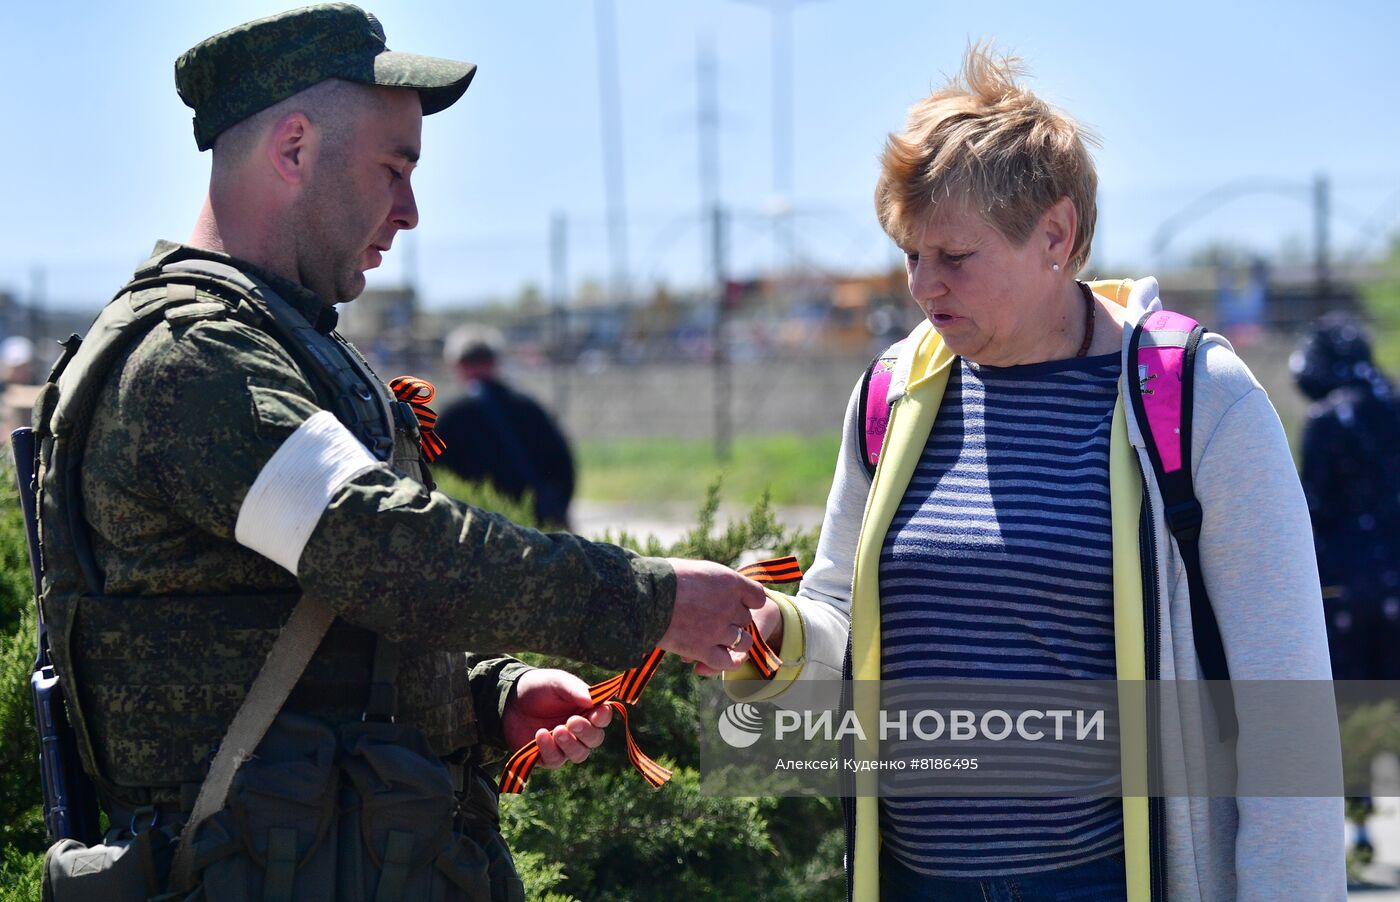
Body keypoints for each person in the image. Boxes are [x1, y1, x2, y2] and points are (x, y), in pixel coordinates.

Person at [33, 5, 765, 898]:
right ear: (294, 148)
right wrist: (651, 601)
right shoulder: (192, 362)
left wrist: (492, 694)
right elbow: (386, 551)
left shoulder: (278, 343)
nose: (410, 212)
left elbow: (327, 616)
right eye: (394, 168)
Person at [729, 45, 1343, 900]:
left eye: (953, 256)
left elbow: (1290, 717)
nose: (922, 286)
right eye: (910, 254)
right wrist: (766, 633)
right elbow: (840, 622)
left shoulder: (1199, 401)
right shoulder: (890, 396)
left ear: (1055, 234)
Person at [436, 325, 576, 528]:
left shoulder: (452, 416)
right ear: (495, 361)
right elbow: (563, 467)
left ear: (456, 365)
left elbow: (436, 475)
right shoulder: (530, 407)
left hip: (480, 530)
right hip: (536, 526)